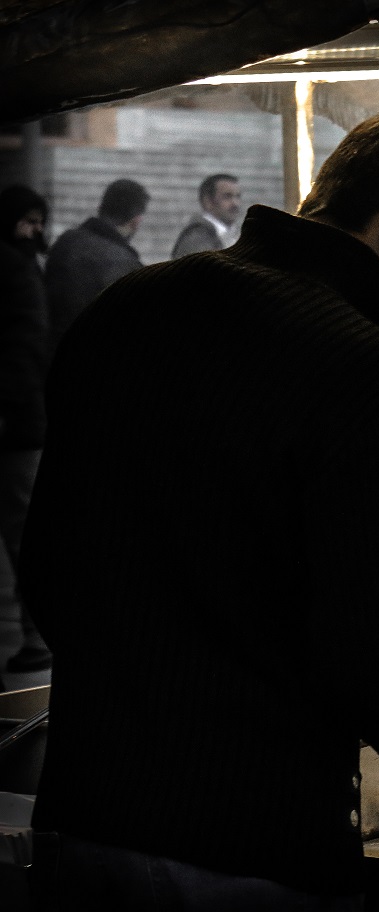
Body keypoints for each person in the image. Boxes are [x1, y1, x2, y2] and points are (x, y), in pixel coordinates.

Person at [20, 105, 379, 909]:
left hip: (85, 822)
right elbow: (378, 651)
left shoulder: (128, 306)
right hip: (248, 847)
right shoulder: (367, 375)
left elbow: (45, 570)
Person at [0, 185, 52, 683]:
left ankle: (37, 640)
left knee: (23, 536)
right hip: (21, 428)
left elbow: (23, 348)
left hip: (16, 431)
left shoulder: (16, 268)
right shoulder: (22, 268)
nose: (35, 230)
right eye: (28, 220)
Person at [43, 178, 148, 354]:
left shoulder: (65, 242)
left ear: (102, 207)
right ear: (136, 221)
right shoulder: (126, 264)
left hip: (53, 355)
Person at [171, 172, 243, 257]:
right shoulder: (197, 238)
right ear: (208, 201)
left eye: (238, 196)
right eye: (227, 196)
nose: (235, 203)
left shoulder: (233, 235)